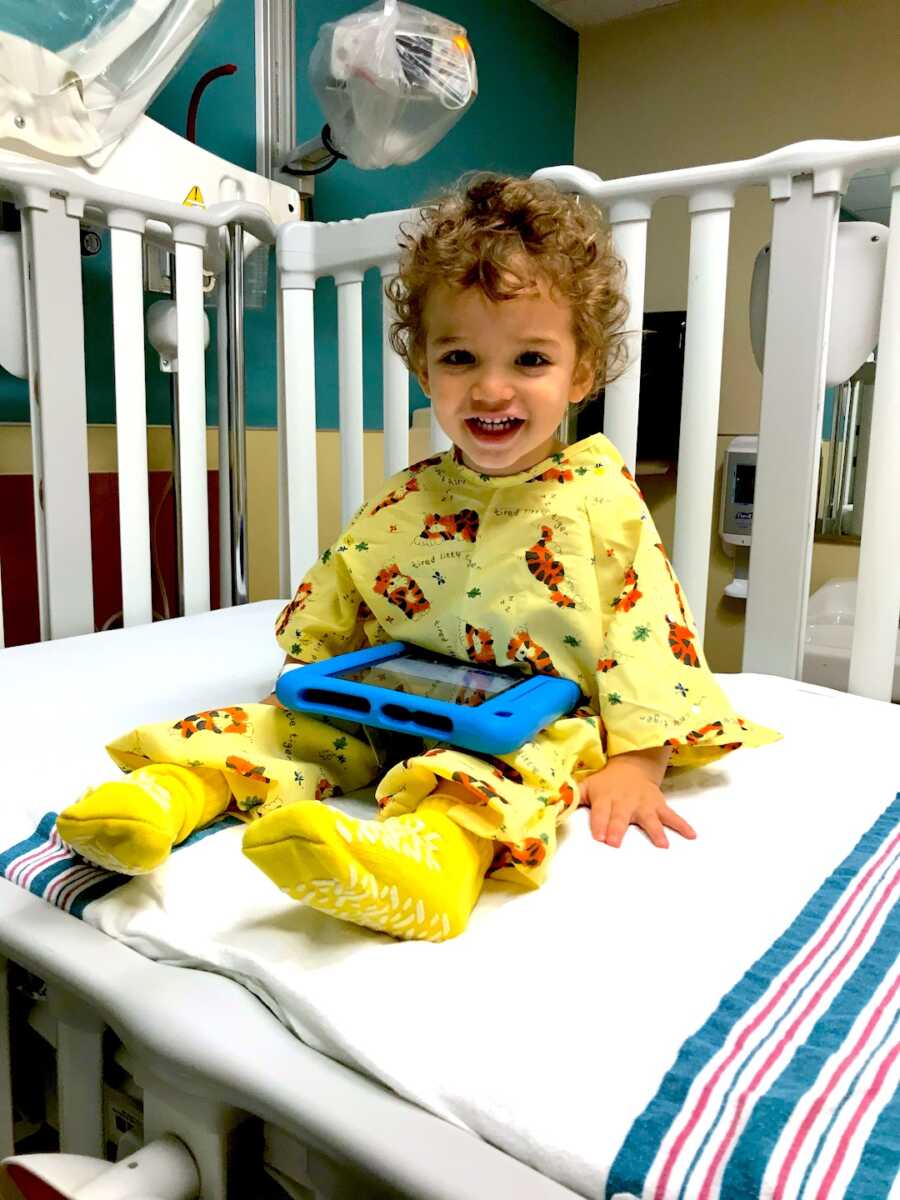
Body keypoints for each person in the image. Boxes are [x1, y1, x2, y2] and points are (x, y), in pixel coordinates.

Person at [57, 175, 778, 941]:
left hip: (530, 717)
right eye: (461, 356)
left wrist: (641, 758)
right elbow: (347, 577)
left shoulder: (598, 497)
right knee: (278, 725)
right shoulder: (410, 493)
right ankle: (167, 797)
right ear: (425, 369)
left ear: (583, 372)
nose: (491, 388)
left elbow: (648, 622)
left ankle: (431, 865)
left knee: (514, 771)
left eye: (531, 359)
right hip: (394, 693)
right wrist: (318, 663)